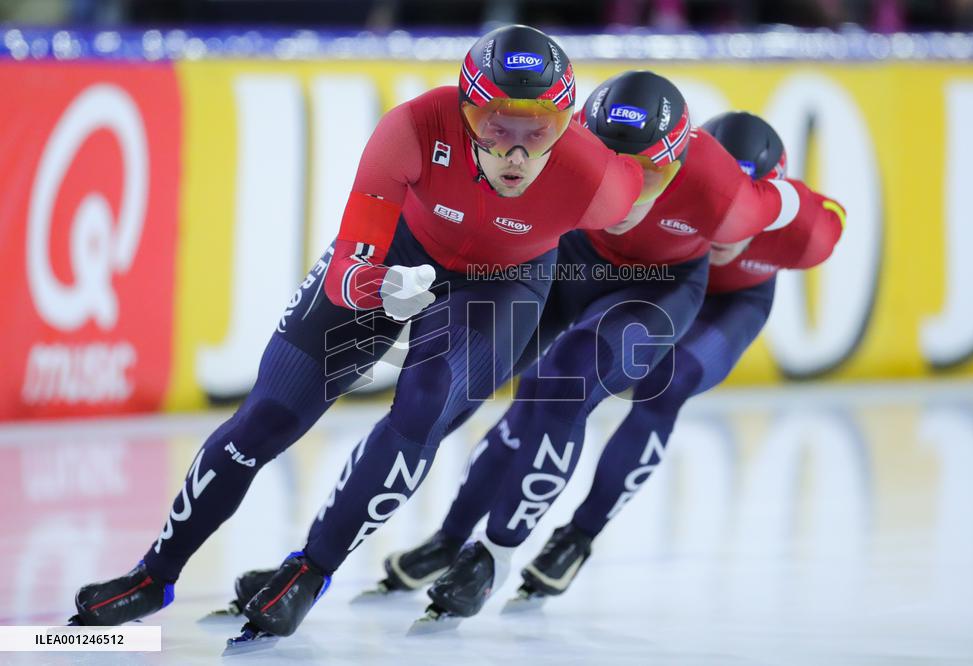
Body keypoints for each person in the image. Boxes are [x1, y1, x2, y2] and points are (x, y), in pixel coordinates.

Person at [70, 24, 649, 641]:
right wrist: (382, 288)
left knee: (426, 401)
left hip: (502, 286)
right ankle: (154, 574)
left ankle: (312, 569)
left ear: (568, 126)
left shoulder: (602, 181)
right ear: (463, 111)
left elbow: (688, 201)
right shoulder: (411, 129)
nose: (515, 154)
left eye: (538, 132)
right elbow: (348, 268)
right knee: (267, 414)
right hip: (397, 256)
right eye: (494, 128)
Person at [343, 77, 847, 624]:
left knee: (663, 386)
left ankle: (578, 535)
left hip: (711, 299)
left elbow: (824, 218)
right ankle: (452, 537)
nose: (725, 236)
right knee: (533, 387)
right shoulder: (648, 174)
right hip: (605, 268)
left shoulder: (788, 228)